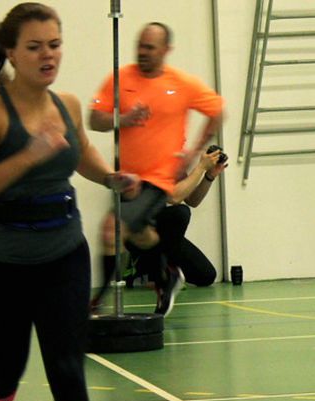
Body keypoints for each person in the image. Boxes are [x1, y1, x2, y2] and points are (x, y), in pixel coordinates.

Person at [0, 4, 137, 401]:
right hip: (5, 263)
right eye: (35, 47)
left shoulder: (67, 105)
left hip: (64, 255)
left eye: (54, 45)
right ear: (12, 53)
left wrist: (110, 177)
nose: (48, 55)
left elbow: (81, 151)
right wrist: (28, 156)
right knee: (7, 368)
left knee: (68, 370)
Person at [89, 22, 224, 316]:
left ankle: (98, 300)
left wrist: (194, 152)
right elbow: (94, 119)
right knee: (139, 234)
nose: (143, 52)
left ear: (165, 50)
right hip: (128, 180)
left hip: (159, 179)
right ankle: (167, 276)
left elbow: (217, 111)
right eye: (140, 45)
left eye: (150, 47)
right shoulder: (121, 77)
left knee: (111, 229)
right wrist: (123, 119)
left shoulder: (182, 83)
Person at [124, 146, 227, 314]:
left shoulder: (173, 162)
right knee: (180, 213)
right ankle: (147, 267)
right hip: (139, 231)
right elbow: (175, 197)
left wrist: (209, 176)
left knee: (206, 276)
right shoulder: (144, 155)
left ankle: (164, 269)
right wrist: (200, 167)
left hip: (164, 235)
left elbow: (192, 200)